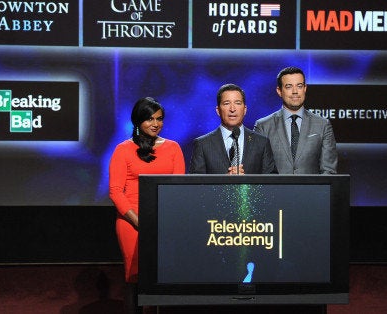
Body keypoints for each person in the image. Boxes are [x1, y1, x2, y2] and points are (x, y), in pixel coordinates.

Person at [108, 97, 185, 312]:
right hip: (131, 222)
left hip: (165, 221)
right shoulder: (123, 149)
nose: (155, 123)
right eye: (149, 119)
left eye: (159, 119)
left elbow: (178, 189)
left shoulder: (173, 148)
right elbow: (115, 192)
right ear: (138, 121)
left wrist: (163, 220)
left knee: (162, 275)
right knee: (134, 277)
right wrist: (138, 221)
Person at [254, 66, 338, 174]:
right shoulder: (263, 126)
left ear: (305, 88)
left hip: (312, 190)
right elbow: (258, 171)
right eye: (289, 87)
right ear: (279, 91)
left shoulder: (322, 125)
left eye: (299, 86)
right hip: (275, 190)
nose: (295, 91)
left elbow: (329, 171)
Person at [189, 83, 277, 174]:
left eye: (238, 103)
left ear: (245, 110)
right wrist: (224, 182)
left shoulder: (261, 142)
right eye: (226, 103)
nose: (232, 109)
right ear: (218, 110)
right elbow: (195, 185)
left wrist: (246, 184)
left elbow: (272, 184)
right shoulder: (203, 144)